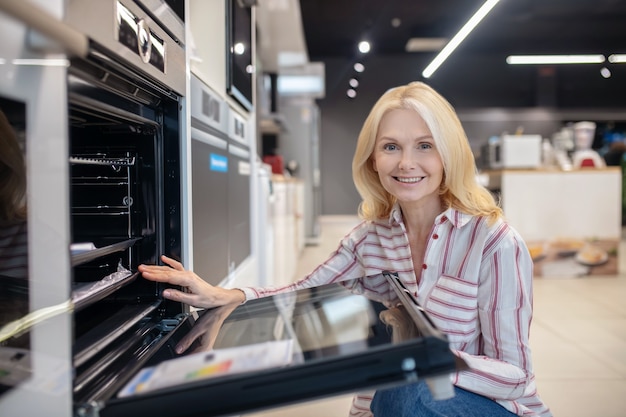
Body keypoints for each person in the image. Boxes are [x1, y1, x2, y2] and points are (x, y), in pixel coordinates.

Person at [139, 82, 552, 417]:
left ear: (448, 154)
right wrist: (228, 296)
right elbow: (304, 293)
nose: (407, 162)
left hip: (493, 408)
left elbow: (515, 376)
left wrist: (422, 357)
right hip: (401, 405)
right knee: (394, 394)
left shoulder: (494, 241)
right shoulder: (369, 239)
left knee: (403, 390)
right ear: (373, 159)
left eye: (425, 145)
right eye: (391, 147)